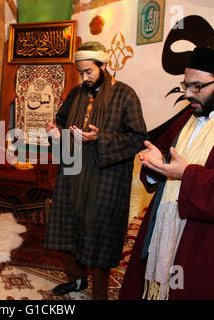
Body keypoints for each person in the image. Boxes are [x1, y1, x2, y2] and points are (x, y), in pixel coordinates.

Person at [120, 46, 214, 300]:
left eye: (197, 87)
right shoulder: (189, 115)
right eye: (185, 85)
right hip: (165, 231)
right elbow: (163, 153)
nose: (189, 94)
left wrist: (188, 175)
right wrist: (154, 166)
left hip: (213, 246)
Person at [44, 41, 148, 299]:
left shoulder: (126, 95)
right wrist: (55, 134)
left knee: (100, 236)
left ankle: (100, 293)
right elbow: (60, 120)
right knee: (65, 229)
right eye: (81, 72)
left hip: (106, 178)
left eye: (89, 71)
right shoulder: (76, 93)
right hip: (74, 173)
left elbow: (138, 138)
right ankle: (77, 280)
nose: (84, 77)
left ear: (104, 65)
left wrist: (100, 139)